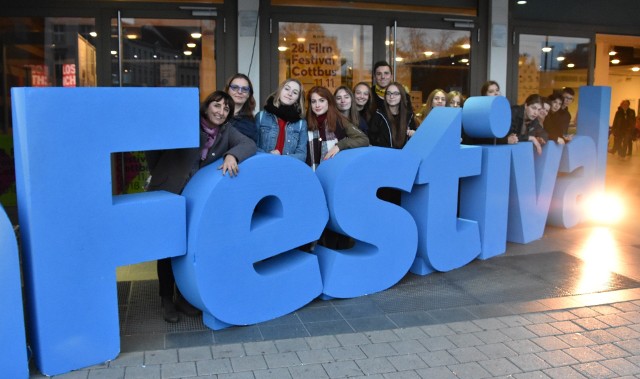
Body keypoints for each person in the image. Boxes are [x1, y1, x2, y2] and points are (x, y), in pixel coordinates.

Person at [146, 90, 257, 323]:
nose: (221, 112)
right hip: (170, 191)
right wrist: (160, 173)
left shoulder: (226, 132)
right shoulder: (187, 122)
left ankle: (184, 296)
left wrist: (232, 155)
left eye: (226, 109)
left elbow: (248, 144)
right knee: (169, 246)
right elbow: (154, 147)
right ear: (206, 107)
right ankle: (166, 297)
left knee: (190, 246)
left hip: (197, 197)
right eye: (216, 106)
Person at [368, 82, 417, 205]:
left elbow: (417, 142)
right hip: (384, 166)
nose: (391, 97)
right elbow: (371, 140)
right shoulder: (378, 115)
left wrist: (414, 134)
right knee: (386, 199)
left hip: (404, 167)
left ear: (401, 96)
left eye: (395, 94)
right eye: (389, 93)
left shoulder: (409, 117)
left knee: (402, 200)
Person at [306, 86, 369, 170]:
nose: (317, 105)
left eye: (322, 100)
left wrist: (339, 146)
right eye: (314, 101)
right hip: (310, 172)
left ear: (329, 102)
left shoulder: (339, 120)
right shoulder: (305, 122)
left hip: (333, 171)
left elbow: (363, 139)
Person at [255, 79, 307, 161]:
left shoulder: (301, 124)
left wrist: (281, 159)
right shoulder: (261, 117)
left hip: (287, 169)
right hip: (264, 166)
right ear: (280, 91)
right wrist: (269, 156)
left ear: (298, 98)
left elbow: (302, 155)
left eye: (295, 92)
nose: (290, 94)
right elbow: (253, 147)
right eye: (287, 89)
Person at [224, 73, 258, 142]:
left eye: (244, 89)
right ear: (227, 90)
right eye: (235, 87)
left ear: (249, 94)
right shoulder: (216, 114)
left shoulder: (250, 124)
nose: (239, 92)